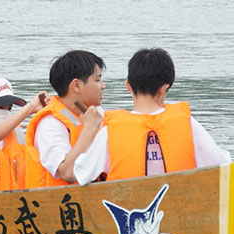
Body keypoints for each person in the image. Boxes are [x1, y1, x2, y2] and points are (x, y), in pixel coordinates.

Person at [73, 48, 230, 184]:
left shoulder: (110, 131)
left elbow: (82, 173)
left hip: (129, 213)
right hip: (179, 211)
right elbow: (223, 165)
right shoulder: (188, 124)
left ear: (128, 86)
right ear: (164, 89)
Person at [25, 50, 106, 187]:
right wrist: (89, 129)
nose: (103, 86)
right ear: (76, 85)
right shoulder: (50, 124)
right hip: (60, 205)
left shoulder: (96, 114)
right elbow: (67, 172)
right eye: (97, 80)